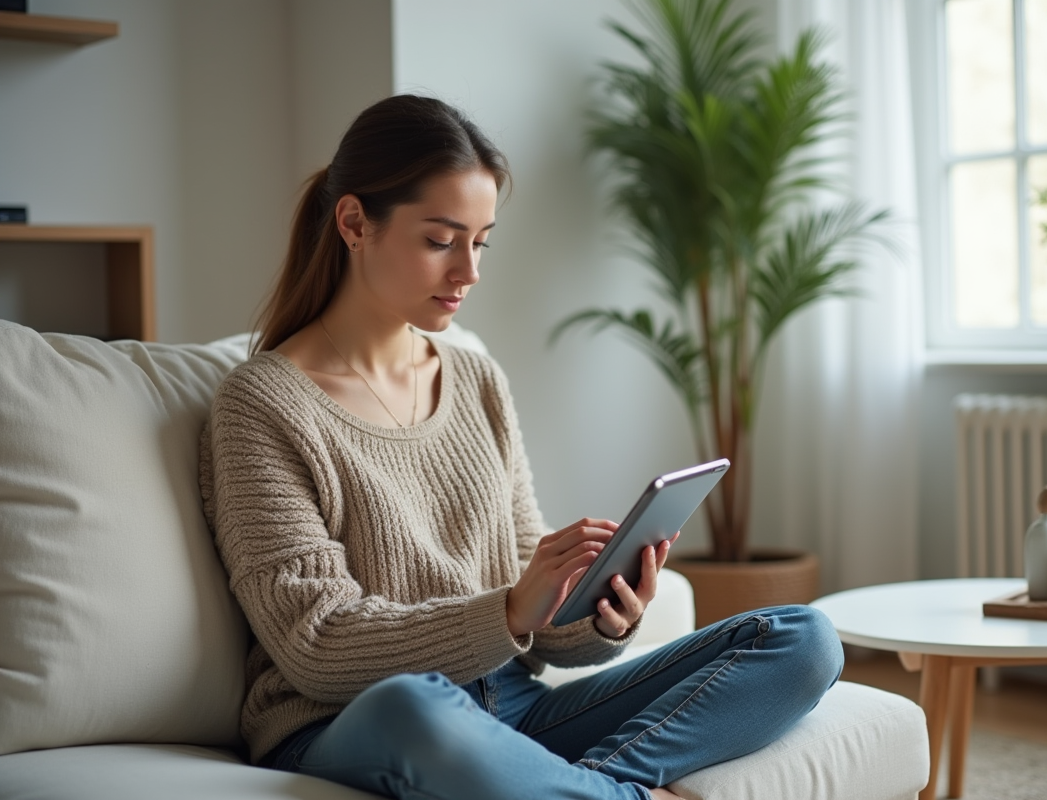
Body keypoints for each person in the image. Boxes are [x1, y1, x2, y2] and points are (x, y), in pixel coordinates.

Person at [199, 94, 843, 800]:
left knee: (802, 638)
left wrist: (596, 613)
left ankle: (574, 789)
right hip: (352, 719)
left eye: (480, 242)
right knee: (414, 704)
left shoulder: (476, 378)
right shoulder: (261, 404)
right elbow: (316, 644)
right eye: (441, 240)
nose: (468, 272)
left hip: (510, 708)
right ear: (355, 223)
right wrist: (508, 611)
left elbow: (524, 592)